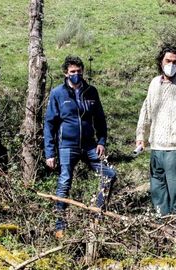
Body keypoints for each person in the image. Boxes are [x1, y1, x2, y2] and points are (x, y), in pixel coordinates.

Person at [44, 55, 116, 238]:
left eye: (78, 71)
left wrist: (101, 141)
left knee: (109, 174)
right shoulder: (57, 93)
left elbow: (100, 119)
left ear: (82, 71)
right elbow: (50, 124)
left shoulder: (91, 92)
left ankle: (97, 214)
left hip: (90, 146)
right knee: (65, 180)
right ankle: (60, 225)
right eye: (72, 72)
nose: (76, 74)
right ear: (66, 73)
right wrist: (50, 153)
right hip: (67, 146)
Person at [135, 45, 176, 217]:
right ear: (160, 62)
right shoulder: (154, 83)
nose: (171, 64)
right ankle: (161, 226)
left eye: (175, 62)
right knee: (158, 191)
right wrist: (140, 136)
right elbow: (146, 109)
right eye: (168, 61)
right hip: (157, 148)